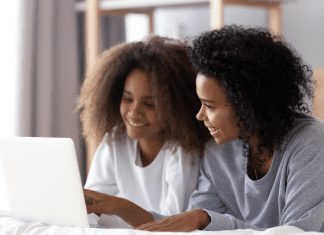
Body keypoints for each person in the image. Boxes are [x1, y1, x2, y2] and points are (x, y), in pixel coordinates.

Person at [136, 25, 324, 232]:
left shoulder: (311, 142)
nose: (200, 116)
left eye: (209, 105)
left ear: (248, 104)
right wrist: (120, 208)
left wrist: (206, 220)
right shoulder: (217, 151)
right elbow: (193, 226)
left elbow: (299, 232)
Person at [77, 36, 211, 228]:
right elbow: (89, 210)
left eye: (150, 104)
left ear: (175, 107)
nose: (134, 113)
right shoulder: (116, 139)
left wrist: (120, 207)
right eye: (128, 99)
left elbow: (172, 224)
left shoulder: (182, 151)